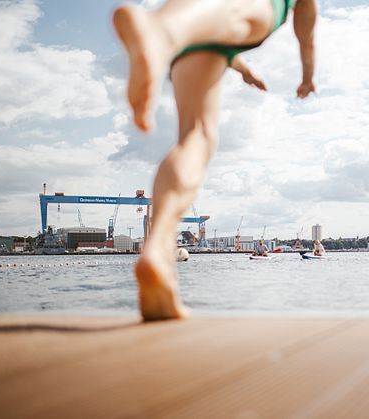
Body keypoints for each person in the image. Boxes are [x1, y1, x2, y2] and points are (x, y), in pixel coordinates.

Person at [113, 0, 318, 321]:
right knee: (197, 134)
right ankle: (159, 32)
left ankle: (158, 257)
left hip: (203, 40)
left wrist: (244, 69)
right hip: (212, 28)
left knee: (196, 136)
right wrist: (307, 78)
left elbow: (219, 19)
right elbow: (306, 38)